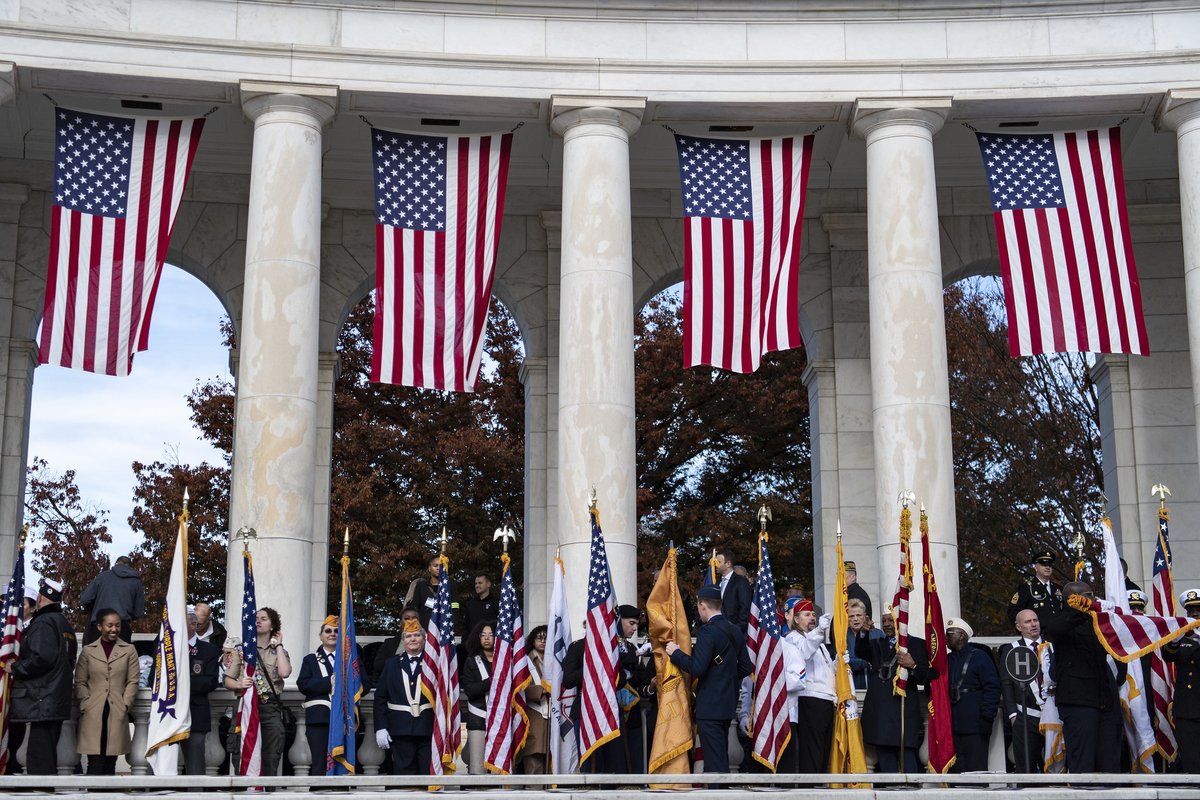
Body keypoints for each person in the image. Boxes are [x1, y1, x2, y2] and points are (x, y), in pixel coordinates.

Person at [666, 585, 752, 774]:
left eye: (698, 608)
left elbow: (697, 667)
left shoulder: (707, 631)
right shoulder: (735, 630)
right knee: (721, 755)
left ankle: (718, 794)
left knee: (714, 761)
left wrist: (676, 654)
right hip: (727, 703)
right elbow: (746, 667)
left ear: (703, 605)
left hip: (710, 705)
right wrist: (724, 677)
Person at [1041, 581, 1123, 773]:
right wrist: (1079, 611)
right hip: (1078, 701)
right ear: (1074, 599)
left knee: (1109, 761)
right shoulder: (1064, 621)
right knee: (1083, 761)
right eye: (1089, 596)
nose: (1094, 600)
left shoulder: (1097, 621)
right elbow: (1054, 629)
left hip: (1105, 699)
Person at [854, 606, 935, 773]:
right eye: (884, 621)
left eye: (890, 620)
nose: (886, 624)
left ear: (901, 622)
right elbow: (860, 651)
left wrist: (912, 664)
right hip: (881, 709)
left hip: (902, 708)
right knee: (885, 754)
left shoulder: (917, 644)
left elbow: (925, 676)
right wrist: (863, 632)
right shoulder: (877, 643)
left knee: (907, 755)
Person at [10, 578, 77, 775]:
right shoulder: (65, 624)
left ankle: (42, 793)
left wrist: (15, 667)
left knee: (39, 757)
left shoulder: (44, 623)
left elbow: (41, 658)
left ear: (39, 598)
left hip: (42, 698)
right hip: (55, 696)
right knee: (45, 751)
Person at [224, 607, 293, 776]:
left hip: (269, 706)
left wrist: (279, 645)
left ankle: (267, 791)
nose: (258, 621)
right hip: (246, 705)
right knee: (243, 751)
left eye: (264, 618)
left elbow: (284, 673)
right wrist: (240, 684)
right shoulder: (241, 650)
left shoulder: (280, 651)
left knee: (271, 752)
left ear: (272, 625)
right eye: (256, 618)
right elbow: (227, 680)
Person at [74, 608, 140, 774]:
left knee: (111, 762)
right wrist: (85, 703)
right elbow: (80, 681)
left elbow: (133, 681)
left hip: (117, 710)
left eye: (117, 625)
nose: (114, 629)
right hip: (93, 712)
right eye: (109, 625)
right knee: (94, 762)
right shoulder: (88, 651)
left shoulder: (129, 650)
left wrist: (125, 705)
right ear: (99, 627)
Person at [374, 618, 433, 775]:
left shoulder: (433, 664)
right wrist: (380, 727)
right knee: (403, 777)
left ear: (424, 638)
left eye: (416, 635)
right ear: (403, 640)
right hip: (400, 728)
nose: (412, 639)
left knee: (427, 777)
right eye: (408, 636)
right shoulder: (391, 664)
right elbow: (380, 698)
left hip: (427, 728)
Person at [944, 617, 999, 773]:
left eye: (950, 634)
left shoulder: (980, 657)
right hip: (953, 725)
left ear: (961, 636)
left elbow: (992, 688)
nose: (946, 638)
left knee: (976, 770)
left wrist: (987, 717)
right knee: (956, 773)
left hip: (975, 724)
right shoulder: (947, 660)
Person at [789, 598, 837, 773]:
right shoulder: (794, 638)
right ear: (796, 619)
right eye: (807, 615)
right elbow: (804, 653)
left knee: (824, 752)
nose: (812, 618)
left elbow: (826, 670)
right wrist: (818, 631)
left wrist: (838, 663)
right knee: (812, 752)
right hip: (810, 699)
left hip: (826, 699)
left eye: (814, 615)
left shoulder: (819, 643)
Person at [998, 608, 1046, 773]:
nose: (1033, 624)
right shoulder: (1010, 649)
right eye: (1028, 622)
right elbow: (1006, 683)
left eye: (1035, 620)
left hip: (1053, 713)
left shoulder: (1052, 646)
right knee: (1026, 767)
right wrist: (1012, 714)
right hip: (1025, 715)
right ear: (1019, 627)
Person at [297, 615, 340, 776]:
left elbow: (364, 685)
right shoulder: (311, 660)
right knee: (319, 764)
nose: (332, 634)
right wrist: (330, 681)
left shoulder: (350, 660)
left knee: (342, 763)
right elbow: (304, 684)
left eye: (336, 631)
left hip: (344, 719)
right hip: (319, 718)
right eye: (328, 630)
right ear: (321, 636)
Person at [1166, 588, 1200, 773]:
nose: (1194, 614)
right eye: (1190, 611)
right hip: (1187, 707)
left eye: (1198, 610)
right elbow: (1168, 656)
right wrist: (1174, 640)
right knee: (1191, 759)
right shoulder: (1181, 634)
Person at [185, 608, 222, 775]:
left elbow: (210, 681)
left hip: (195, 713)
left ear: (194, 625)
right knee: (162, 765)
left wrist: (181, 683)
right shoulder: (163, 647)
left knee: (195, 766)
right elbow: (153, 678)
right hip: (167, 714)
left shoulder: (209, 650)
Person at [79, 555, 145, 644]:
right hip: (122, 628)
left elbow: (84, 599)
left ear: (116, 564)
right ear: (130, 567)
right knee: (121, 657)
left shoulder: (103, 577)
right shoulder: (136, 582)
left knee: (96, 657)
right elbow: (139, 612)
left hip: (99, 627)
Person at [460, 620, 495, 774]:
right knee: (477, 768)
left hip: (502, 719)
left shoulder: (506, 661)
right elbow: (470, 690)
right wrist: (492, 680)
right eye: (483, 635)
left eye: (491, 635)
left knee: (498, 768)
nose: (487, 638)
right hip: (479, 719)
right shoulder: (472, 661)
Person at [523, 625, 550, 775]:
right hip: (534, 713)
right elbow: (521, 687)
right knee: (534, 758)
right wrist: (542, 690)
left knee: (552, 758)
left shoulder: (557, 659)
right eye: (539, 638)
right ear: (532, 641)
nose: (543, 641)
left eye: (546, 638)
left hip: (554, 713)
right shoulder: (526, 661)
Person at [1007, 550, 1063, 623]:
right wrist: (1025, 628)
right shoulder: (1027, 588)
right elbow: (1013, 612)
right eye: (1043, 564)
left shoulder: (1058, 589)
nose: (1047, 567)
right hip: (1038, 633)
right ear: (1036, 568)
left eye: (1050, 564)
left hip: (1059, 632)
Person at [371, 607, 422, 686]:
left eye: (414, 618)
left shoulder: (427, 644)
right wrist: (399, 659)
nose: (411, 621)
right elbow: (378, 665)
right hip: (393, 685)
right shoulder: (389, 643)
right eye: (407, 618)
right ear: (401, 622)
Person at [714, 549, 752, 633]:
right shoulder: (717, 582)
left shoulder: (740, 581)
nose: (716, 565)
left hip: (733, 631)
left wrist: (738, 628)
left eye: (719, 562)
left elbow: (745, 606)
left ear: (728, 564)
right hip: (717, 630)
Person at [846, 599, 879, 690]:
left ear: (865, 616)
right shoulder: (842, 637)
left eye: (859, 615)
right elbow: (842, 661)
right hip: (852, 686)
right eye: (851, 616)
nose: (855, 619)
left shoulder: (878, 634)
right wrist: (867, 663)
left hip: (875, 686)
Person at [404, 555, 442, 629]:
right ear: (429, 568)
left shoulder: (449, 586)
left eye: (441, 566)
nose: (438, 568)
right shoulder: (421, 586)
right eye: (435, 565)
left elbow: (454, 609)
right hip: (424, 628)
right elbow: (415, 608)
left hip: (443, 628)